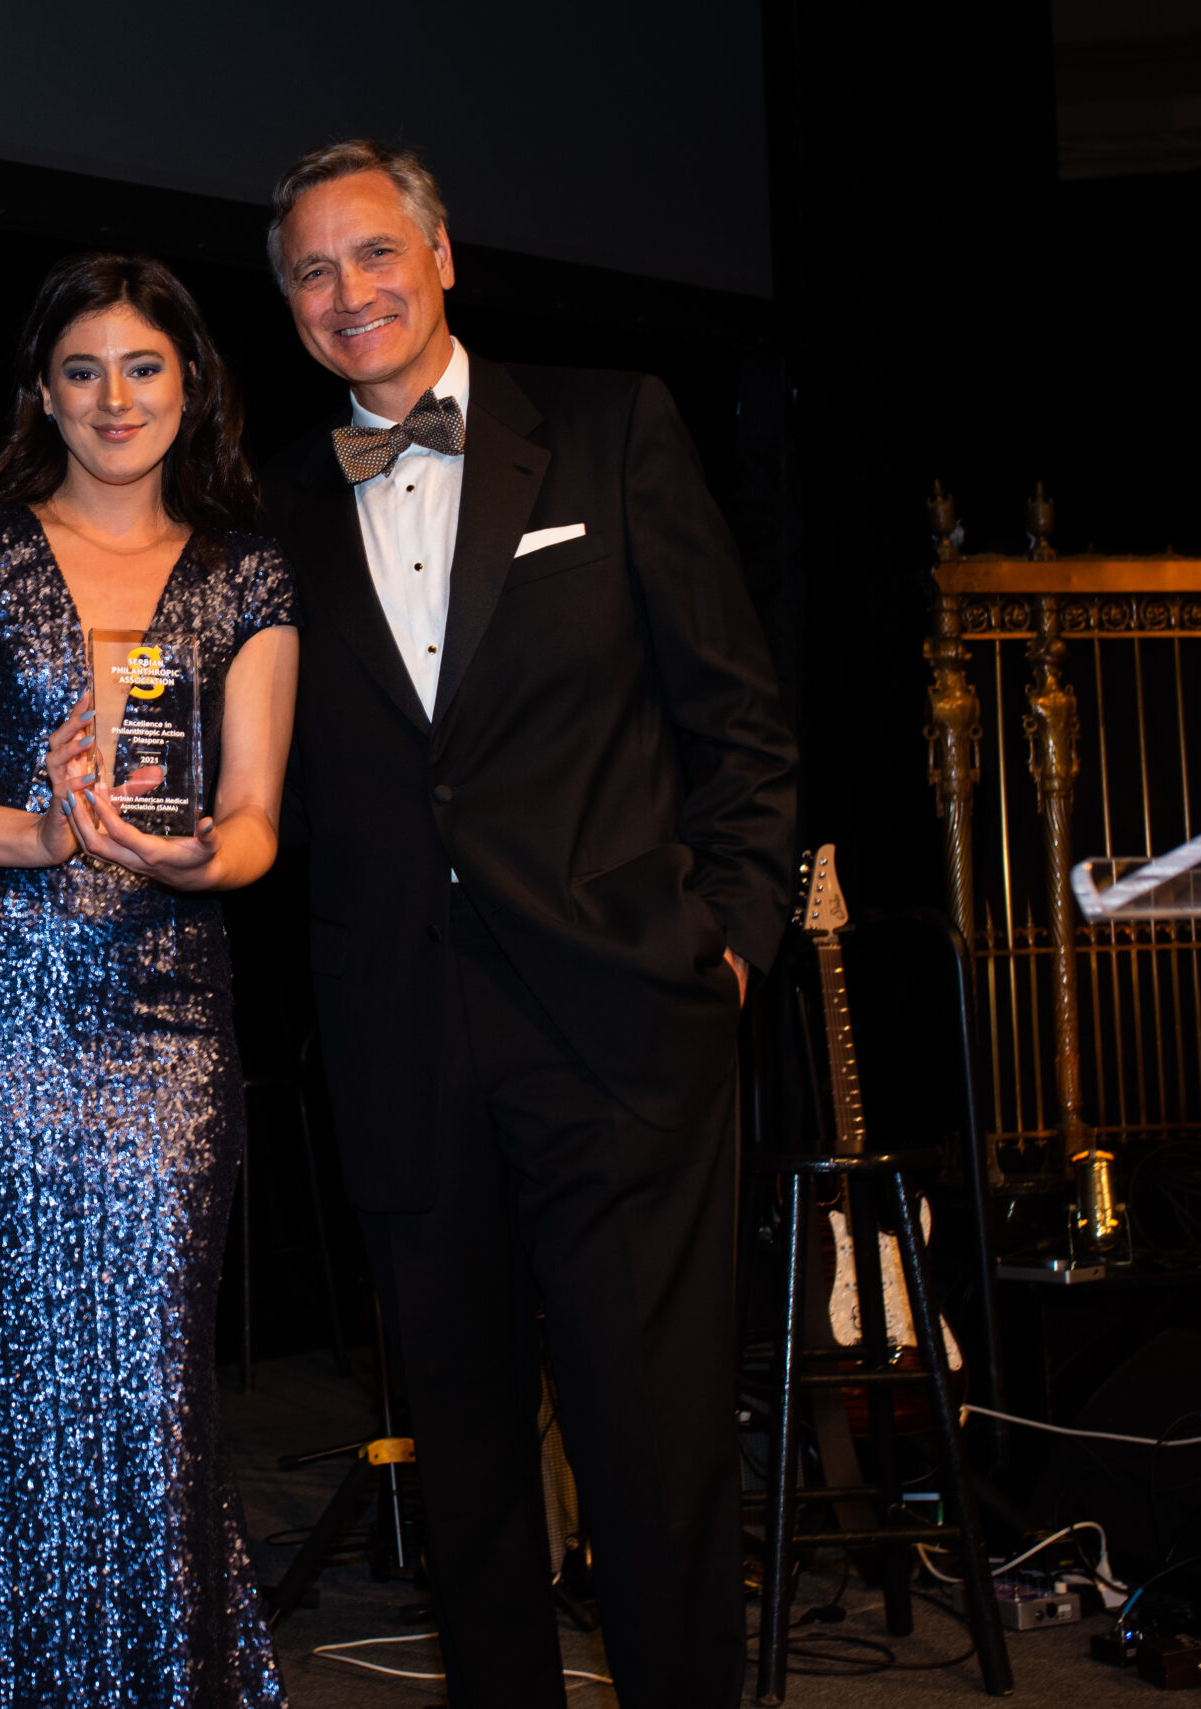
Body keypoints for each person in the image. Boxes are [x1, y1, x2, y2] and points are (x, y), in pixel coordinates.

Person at [260, 141, 801, 1706]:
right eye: (311, 270)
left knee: (656, 1450)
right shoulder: (277, 505)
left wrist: (730, 946)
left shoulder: (613, 427)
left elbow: (741, 723)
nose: (347, 292)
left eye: (373, 254)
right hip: (403, 1039)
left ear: (443, 256)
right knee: (470, 1464)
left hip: (623, 1023)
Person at [0, 253, 297, 1708]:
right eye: (83, 371)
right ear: (41, 392)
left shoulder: (249, 573)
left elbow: (250, 826)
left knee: (151, 1387)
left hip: (167, 1028)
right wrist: (41, 830)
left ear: (194, 384)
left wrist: (181, 862)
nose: (115, 400)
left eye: (144, 368)